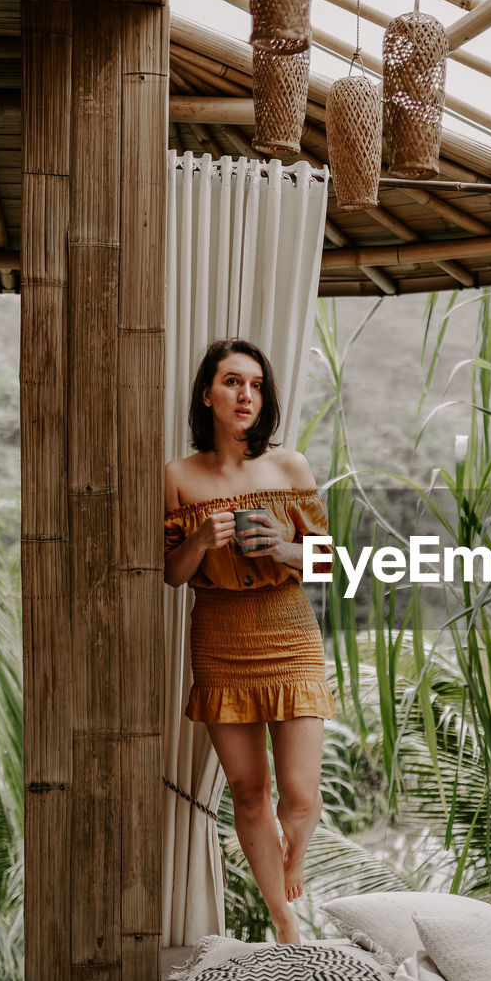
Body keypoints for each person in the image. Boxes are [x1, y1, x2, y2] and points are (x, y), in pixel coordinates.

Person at [163, 338, 335, 945]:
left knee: (300, 795)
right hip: (218, 633)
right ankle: (284, 922)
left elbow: (325, 563)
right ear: (207, 393)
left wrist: (280, 546)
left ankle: (298, 852)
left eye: (257, 385)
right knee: (246, 789)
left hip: (287, 629)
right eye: (234, 382)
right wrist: (200, 541)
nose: (246, 395)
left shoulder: (290, 466)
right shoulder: (178, 477)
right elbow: (171, 573)